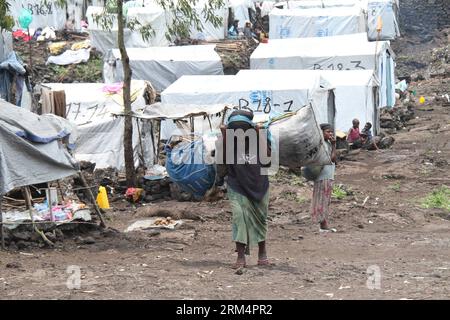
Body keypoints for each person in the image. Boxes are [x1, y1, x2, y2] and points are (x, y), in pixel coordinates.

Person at [220, 109, 272, 269]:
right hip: (237, 185)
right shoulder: (228, 141)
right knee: (239, 218)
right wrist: (224, 138)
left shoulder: (260, 138)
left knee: (261, 219)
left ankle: (262, 253)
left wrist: (260, 135)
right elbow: (222, 164)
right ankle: (241, 257)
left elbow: (268, 161)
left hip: (259, 184)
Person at [311, 123, 337, 232]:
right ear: (322, 133)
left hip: (327, 175)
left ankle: (323, 221)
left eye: (331, 132)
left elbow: (334, 160)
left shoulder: (328, 144)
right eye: (328, 132)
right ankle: (322, 223)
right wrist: (335, 145)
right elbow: (330, 159)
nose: (330, 134)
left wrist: (333, 145)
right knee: (322, 199)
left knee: (325, 199)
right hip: (323, 176)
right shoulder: (322, 145)